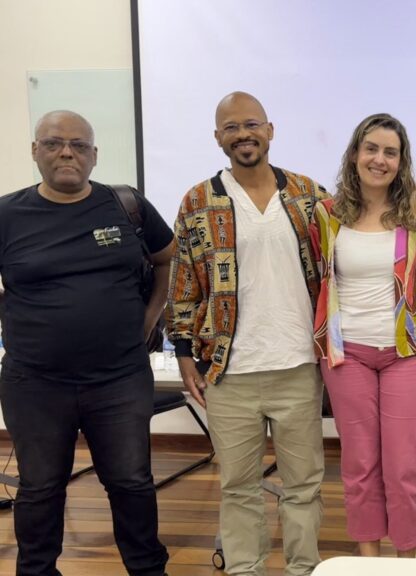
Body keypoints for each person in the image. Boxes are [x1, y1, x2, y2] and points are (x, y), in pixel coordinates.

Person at [0, 110, 173, 576]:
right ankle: (37, 571)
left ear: (94, 155)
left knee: (131, 483)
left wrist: (150, 316)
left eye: (79, 145)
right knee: (38, 489)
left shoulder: (125, 205)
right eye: (54, 143)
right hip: (35, 383)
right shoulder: (7, 214)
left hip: (118, 378)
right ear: (35, 151)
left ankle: (147, 570)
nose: (66, 153)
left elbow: (166, 260)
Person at [166, 92, 328, 576]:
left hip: (298, 366)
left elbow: (347, 251)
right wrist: (183, 353)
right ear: (219, 138)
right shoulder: (198, 200)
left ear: (270, 130)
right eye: (231, 127)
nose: (243, 134)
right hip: (228, 372)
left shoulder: (308, 195)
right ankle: (245, 569)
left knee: (303, 486)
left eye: (251, 124)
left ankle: (304, 569)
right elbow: (183, 283)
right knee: (238, 487)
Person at [310, 113, 416, 558]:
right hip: (347, 355)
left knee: (403, 466)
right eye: (371, 149)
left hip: (406, 351)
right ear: (355, 154)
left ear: (401, 162)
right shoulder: (327, 214)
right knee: (359, 464)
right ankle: (369, 561)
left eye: (390, 152)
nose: (379, 160)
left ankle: (406, 558)